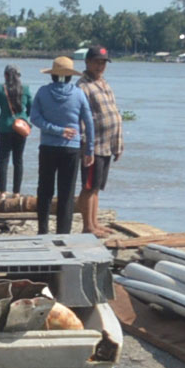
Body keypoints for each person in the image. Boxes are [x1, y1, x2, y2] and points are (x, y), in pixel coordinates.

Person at [27, 54, 90, 235]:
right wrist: (90, 148)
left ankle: (43, 230)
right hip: (71, 148)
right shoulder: (79, 94)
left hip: (48, 147)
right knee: (67, 193)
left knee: (45, 190)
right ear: (70, 76)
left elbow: (35, 118)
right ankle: (63, 232)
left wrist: (56, 130)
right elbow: (89, 122)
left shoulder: (42, 92)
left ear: (52, 75)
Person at [78, 46, 121, 234]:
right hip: (93, 145)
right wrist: (86, 147)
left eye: (103, 62)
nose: (100, 66)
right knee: (88, 186)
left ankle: (95, 223)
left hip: (106, 144)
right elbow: (80, 119)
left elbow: (114, 114)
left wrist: (117, 145)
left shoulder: (104, 83)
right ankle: (88, 226)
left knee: (96, 187)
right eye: (97, 62)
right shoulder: (82, 86)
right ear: (87, 62)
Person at [0, 64, 29, 195]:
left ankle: (2, 193)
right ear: (18, 76)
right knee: (18, 161)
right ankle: (16, 193)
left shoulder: (0, 88)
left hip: (4, 128)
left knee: (3, 160)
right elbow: (31, 108)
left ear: (6, 75)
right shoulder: (26, 88)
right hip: (21, 129)